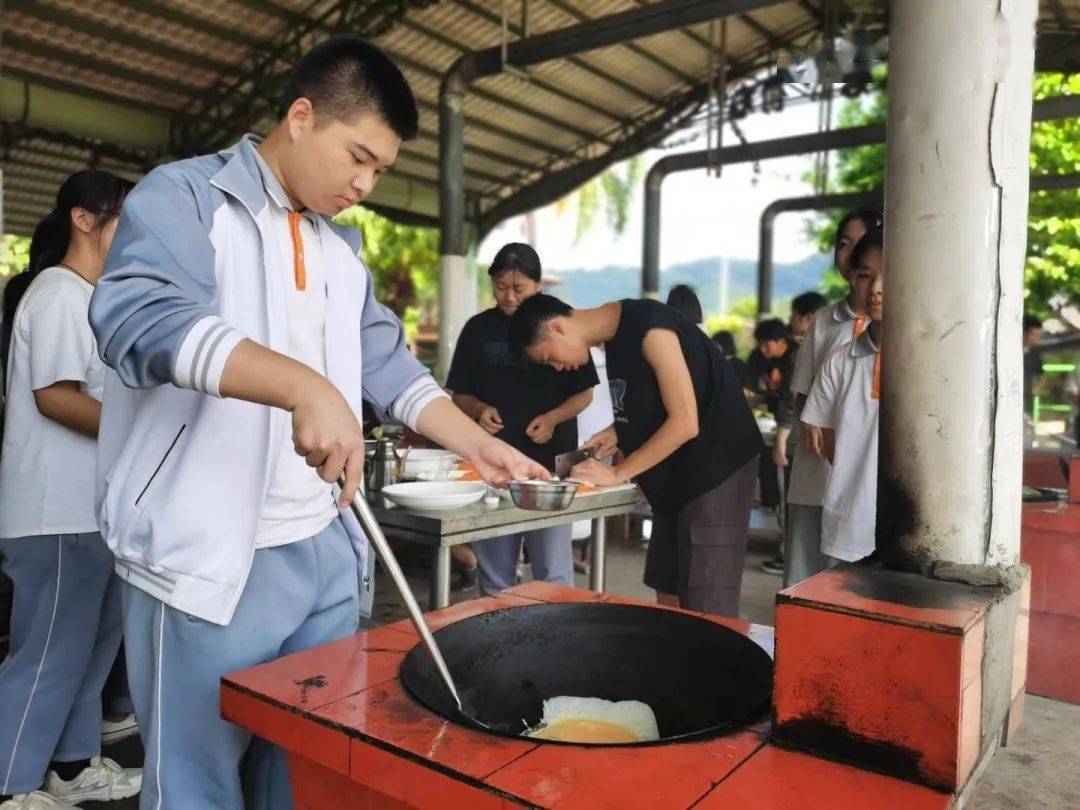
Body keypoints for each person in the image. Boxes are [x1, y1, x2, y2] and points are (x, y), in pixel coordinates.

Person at [88, 37, 546, 809]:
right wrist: (299, 385)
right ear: (301, 117)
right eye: (358, 157)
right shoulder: (188, 199)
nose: (365, 184)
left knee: (305, 771)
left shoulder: (341, 247)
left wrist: (478, 445)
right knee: (197, 785)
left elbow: (388, 365)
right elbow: (137, 319)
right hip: (208, 560)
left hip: (326, 547)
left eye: (381, 170)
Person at [0, 171, 141, 810]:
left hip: (91, 512)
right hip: (53, 514)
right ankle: (13, 782)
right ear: (85, 220)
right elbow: (55, 397)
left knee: (89, 649)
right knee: (49, 654)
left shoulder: (94, 297)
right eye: (123, 220)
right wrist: (135, 435)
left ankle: (73, 764)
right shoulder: (58, 292)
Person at [509, 294, 763, 618]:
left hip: (716, 468)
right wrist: (617, 432)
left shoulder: (649, 328)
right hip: (675, 475)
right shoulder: (613, 339)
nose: (557, 368)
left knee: (706, 594)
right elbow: (654, 400)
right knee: (667, 582)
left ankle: (710, 666)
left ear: (558, 327)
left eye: (548, 358)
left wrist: (619, 473)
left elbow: (685, 422)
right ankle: (675, 662)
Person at [447, 243, 597, 594]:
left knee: (553, 572)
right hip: (492, 469)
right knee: (496, 576)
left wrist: (552, 419)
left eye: (519, 288)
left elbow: (585, 392)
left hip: (550, 467)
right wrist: (479, 411)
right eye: (501, 286)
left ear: (538, 285)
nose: (509, 296)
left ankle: (557, 641)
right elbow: (459, 394)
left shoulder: (561, 326)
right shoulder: (477, 330)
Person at [784, 206, 883, 587]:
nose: (853, 251)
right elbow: (805, 396)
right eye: (846, 244)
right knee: (805, 575)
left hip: (864, 477)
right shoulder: (826, 321)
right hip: (818, 467)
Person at [760, 291, 827, 576]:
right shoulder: (820, 344)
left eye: (794, 315)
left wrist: (781, 442)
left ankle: (787, 556)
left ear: (808, 318)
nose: (790, 322)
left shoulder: (805, 349)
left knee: (792, 502)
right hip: (818, 440)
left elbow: (792, 400)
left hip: (799, 439)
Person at [744, 318, 795, 512]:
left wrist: (781, 442)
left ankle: (783, 513)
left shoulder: (794, 358)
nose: (762, 348)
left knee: (783, 462)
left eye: (767, 343)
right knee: (765, 462)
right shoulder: (758, 356)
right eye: (760, 343)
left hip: (793, 423)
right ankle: (769, 506)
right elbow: (747, 389)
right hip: (771, 418)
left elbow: (789, 402)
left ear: (782, 340)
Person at [1023, 315, 1045, 446]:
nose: (1036, 339)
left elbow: (1041, 376)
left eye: (1039, 335)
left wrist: (1036, 389)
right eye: (1033, 335)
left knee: (1027, 441)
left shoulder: (1035, 353)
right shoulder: (1009, 350)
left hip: (1028, 404)